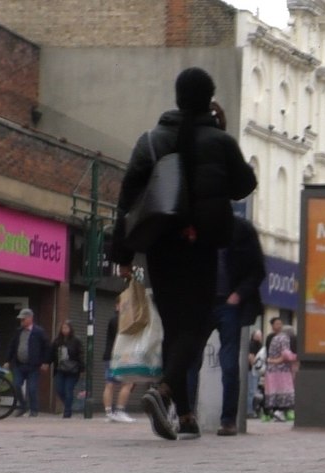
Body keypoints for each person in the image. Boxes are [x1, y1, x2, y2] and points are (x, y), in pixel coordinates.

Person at [109, 67, 257, 441]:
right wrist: (221, 134)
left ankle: (185, 414)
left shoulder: (151, 140)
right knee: (195, 325)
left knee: (177, 326)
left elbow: (127, 201)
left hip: (161, 244)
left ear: (177, 97)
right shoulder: (218, 141)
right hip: (202, 243)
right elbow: (244, 186)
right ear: (209, 98)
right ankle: (163, 391)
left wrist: (122, 253)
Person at [206, 215, 266, 437]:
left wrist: (238, 295)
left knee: (229, 364)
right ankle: (185, 414)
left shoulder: (241, 230)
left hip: (229, 304)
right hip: (203, 303)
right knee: (190, 359)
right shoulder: (201, 226)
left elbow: (257, 270)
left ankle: (228, 419)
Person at [4, 308, 50, 417]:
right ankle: (23, 405)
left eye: (23, 319)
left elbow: (47, 347)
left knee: (32, 388)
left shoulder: (39, 332)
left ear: (30, 319)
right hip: (19, 364)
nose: (22, 322)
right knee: (16, 385)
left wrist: (45, 362)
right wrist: (7, 360)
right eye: (21, 320)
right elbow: (12, 346)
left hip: (33, 365)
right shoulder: (18, 331)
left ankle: (34, 410)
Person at [101, 298, 136, 423]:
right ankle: (119, 411)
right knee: (128, 383)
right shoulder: (121, 320)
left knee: (110, 384)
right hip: (121, 356)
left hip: (109, 355)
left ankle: (109, 413)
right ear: (117, 306)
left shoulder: (112, 320)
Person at [49, 320, 84, 419]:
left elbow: (80, 354)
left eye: (66, 328)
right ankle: (69, 405)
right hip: (60, 369)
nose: (64, 330)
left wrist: (82, 368)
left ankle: (67, 412)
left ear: (70, 329)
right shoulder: (57, 341)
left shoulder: (76, 340)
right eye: (63, 328)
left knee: (68, 389)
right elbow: (52, 354)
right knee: (60, 389)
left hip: (72, 370)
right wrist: (47, 363)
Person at [262, 324, 297, 422]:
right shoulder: (285, 338)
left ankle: (274, 412)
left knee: (274, 391)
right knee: (285, 391)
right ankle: (280, 412)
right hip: (282, 370)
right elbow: (286, 354)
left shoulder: (275, 338)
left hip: (271, 369)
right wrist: (296, 356)